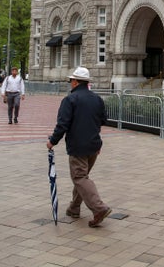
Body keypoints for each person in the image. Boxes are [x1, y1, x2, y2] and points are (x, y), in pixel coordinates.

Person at [46, 66, 112, 227]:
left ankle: (99, 208)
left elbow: (62, 124)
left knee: (79, 177)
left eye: (71, 81)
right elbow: (104, 120)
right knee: (82, 178)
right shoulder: (97, 99)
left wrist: (52, 141)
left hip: (78, 146)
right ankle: (74, 208)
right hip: (94, 145)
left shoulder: (70, 99)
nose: (70, 83)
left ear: (75, 82)